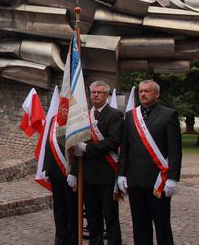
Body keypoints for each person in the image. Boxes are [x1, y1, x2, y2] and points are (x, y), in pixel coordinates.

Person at [117, 80, 182, 245]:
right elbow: (126, 147)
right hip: (135, 180)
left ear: (157, 94)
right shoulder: (131, 116)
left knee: (162, 225)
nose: (143, 94)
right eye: (141, 91)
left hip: (158, 180)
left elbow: (175, 151)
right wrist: (121, 174)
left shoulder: (169, 115)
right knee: (140, 225)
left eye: (147, 91)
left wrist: (173, 178)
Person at [71, 81, 123, 245]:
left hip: (106, 173)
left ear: (106, 95)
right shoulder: (85, 116)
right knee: (93, 215)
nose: (95, 95)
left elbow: (113, 141)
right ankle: (96, 242)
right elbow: (76, 142)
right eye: (93, 92)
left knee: (110, 215)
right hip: (87, 174)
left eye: (99, 92)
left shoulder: (115, 115)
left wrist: (87, 148)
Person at [43, 104, 78, 245]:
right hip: (55, 171)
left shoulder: (77, 120)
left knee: (72, 209)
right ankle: (60, 239)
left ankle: (72, 240)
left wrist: (74, 172)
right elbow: (48, 143)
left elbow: (77, 148)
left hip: (70, 173)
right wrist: (46, 168)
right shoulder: (53, 119)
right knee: (59, 209)